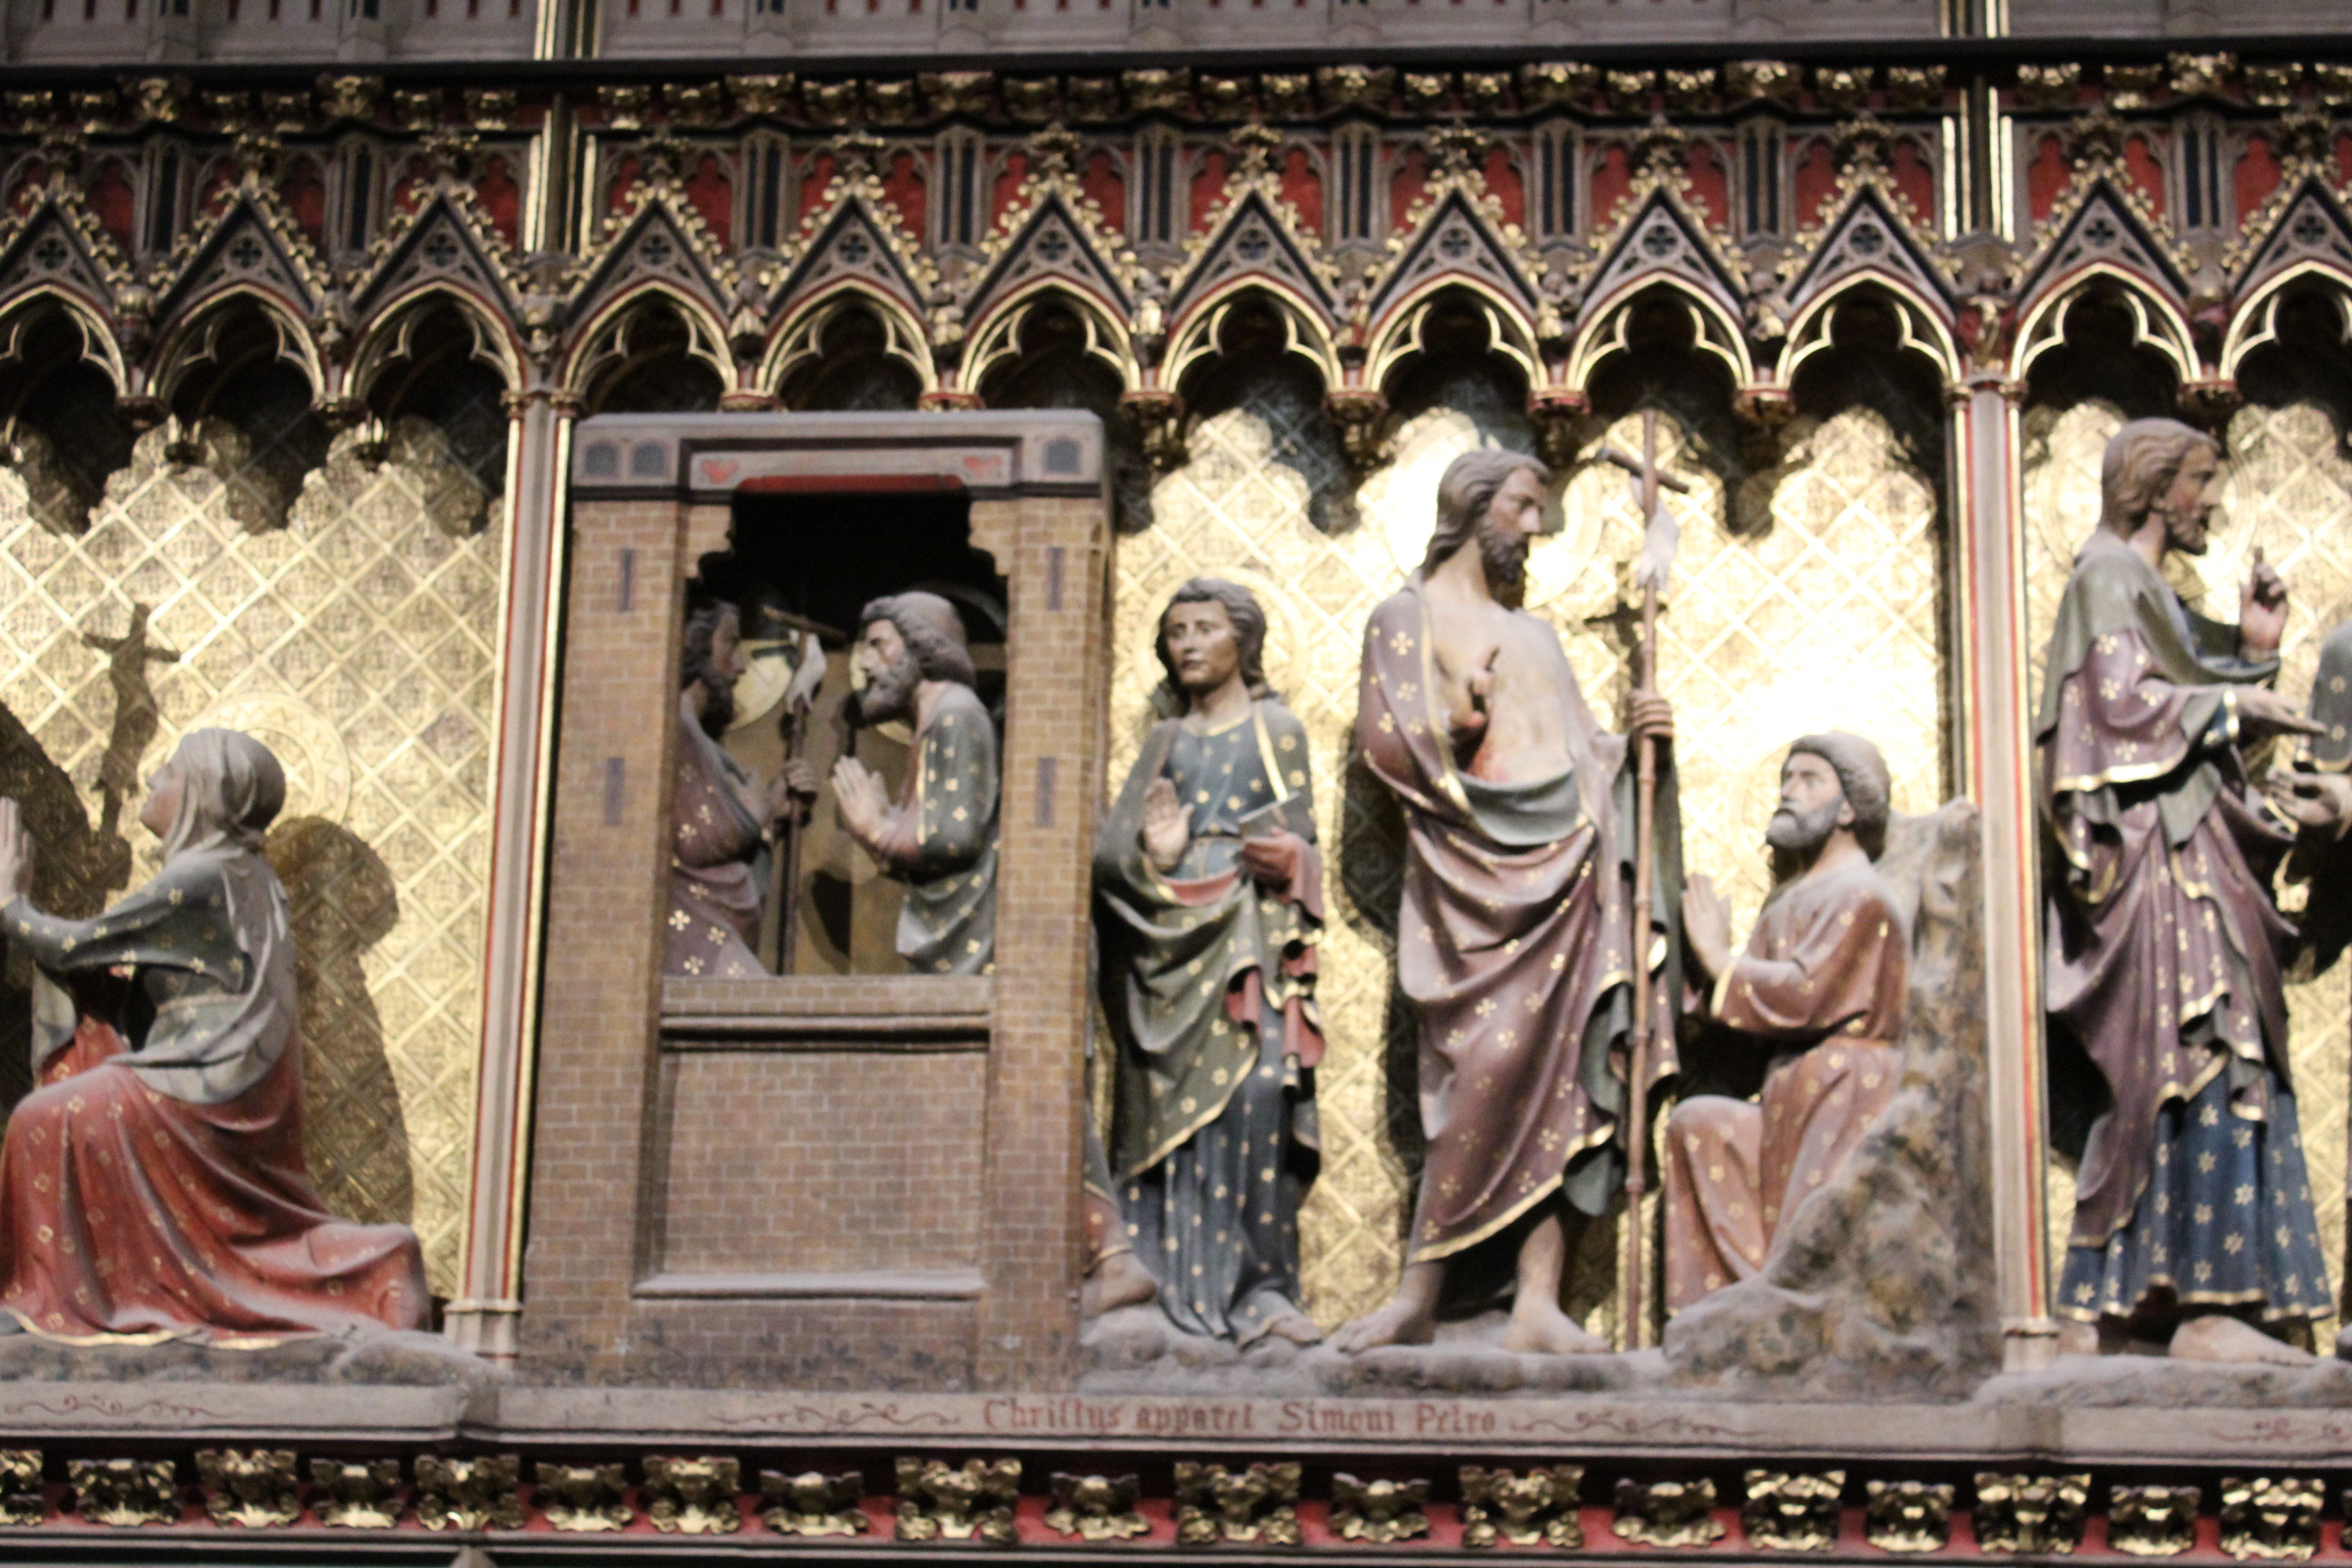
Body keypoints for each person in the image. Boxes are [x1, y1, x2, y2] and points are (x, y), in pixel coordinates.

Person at [1338, 447, 1679, 1355]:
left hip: (1571, 874)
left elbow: (1584, 749)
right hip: (1472, 882)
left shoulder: (1536, 637)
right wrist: (1462, 722)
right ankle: (1418, 1295)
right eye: (1523, 507)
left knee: (1567, 1080)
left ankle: (1538, 1300)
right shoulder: (1405, 616)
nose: (1534, 528)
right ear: (1473, 503)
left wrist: (1638, 742)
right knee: (1480, 1074)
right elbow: (1385, 741)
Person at [2039, 416, 2334, 1364]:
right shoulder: (2106, 577)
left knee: (2204, 1062)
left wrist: (2251, 651)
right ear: (2157, 486)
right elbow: (2116, 710)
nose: (2211, 502)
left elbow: (2179, 707)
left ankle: (2152, 1305)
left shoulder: (2142, 589)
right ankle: (2205, 1309)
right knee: (2208, 1055)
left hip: (2192, 857)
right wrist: (2236, 697)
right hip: (2163, 872)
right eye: (2202, 482)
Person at [0, 730, 427, 1339]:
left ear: (203, 792)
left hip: (198, 1087)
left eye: (170, 771)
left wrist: (11, 900)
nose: (153, 779)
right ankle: (111, 1291)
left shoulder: (205, 876)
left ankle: (56, 1302)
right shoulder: (246, 878)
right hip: (206, 1081)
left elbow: (76, 945)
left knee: (42, 1119)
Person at [1093, 579, 1324, 1344]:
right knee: (1162, 1118)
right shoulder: (1165, 741)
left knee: (1257, 1095)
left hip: (1249, 939)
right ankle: (1160, 1285)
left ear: (1243, 640)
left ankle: (1261, 1292)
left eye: (1205, 628)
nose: (1188, 643)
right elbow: (1109, 858)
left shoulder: (1276, 728)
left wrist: (1287, 855)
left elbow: (1305, 841)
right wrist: (1155, 859)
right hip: (1166, 954)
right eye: (1176, 631)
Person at [1665, 733, 1907, 1311]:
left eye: (1808, 780)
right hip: (1787, 1093)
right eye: (1785, 779)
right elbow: (1750, 1023)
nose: (1788, 792)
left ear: (1848, 809)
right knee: (1696, 1124)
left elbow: (1802, 995)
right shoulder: (1787, 903)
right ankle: (1720, 1315)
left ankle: (1794, 1311)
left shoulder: (1863, 896)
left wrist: (1719, 959)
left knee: (1812, 1236)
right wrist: (1683, 986)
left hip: (1848, 1092)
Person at [830, 592, 998, 975]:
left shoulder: (956, 712)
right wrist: (886, 827)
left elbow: (956, 836)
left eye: (879, 645)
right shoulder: (931, 720)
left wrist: (880, 832)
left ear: (921, 646)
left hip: (967, 940)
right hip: (943, 928)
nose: (865, 662)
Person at [667, 592, 815, 978]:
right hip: (692, 928)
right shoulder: (678, 728)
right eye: (730, 644)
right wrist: (763, 805)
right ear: (696, 647)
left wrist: (772, 810)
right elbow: (705, 837)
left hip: (709, 924)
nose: (741, 664)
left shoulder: (699, 739)